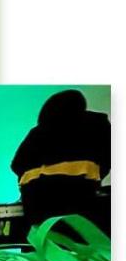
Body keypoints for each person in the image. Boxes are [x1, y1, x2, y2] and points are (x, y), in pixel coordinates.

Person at [11, 90, 110, 228]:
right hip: (79, 200)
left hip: (36, 206)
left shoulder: (36, 133)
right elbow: (107, 157)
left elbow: (16, 164)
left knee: (46, 244)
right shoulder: (96, 124)